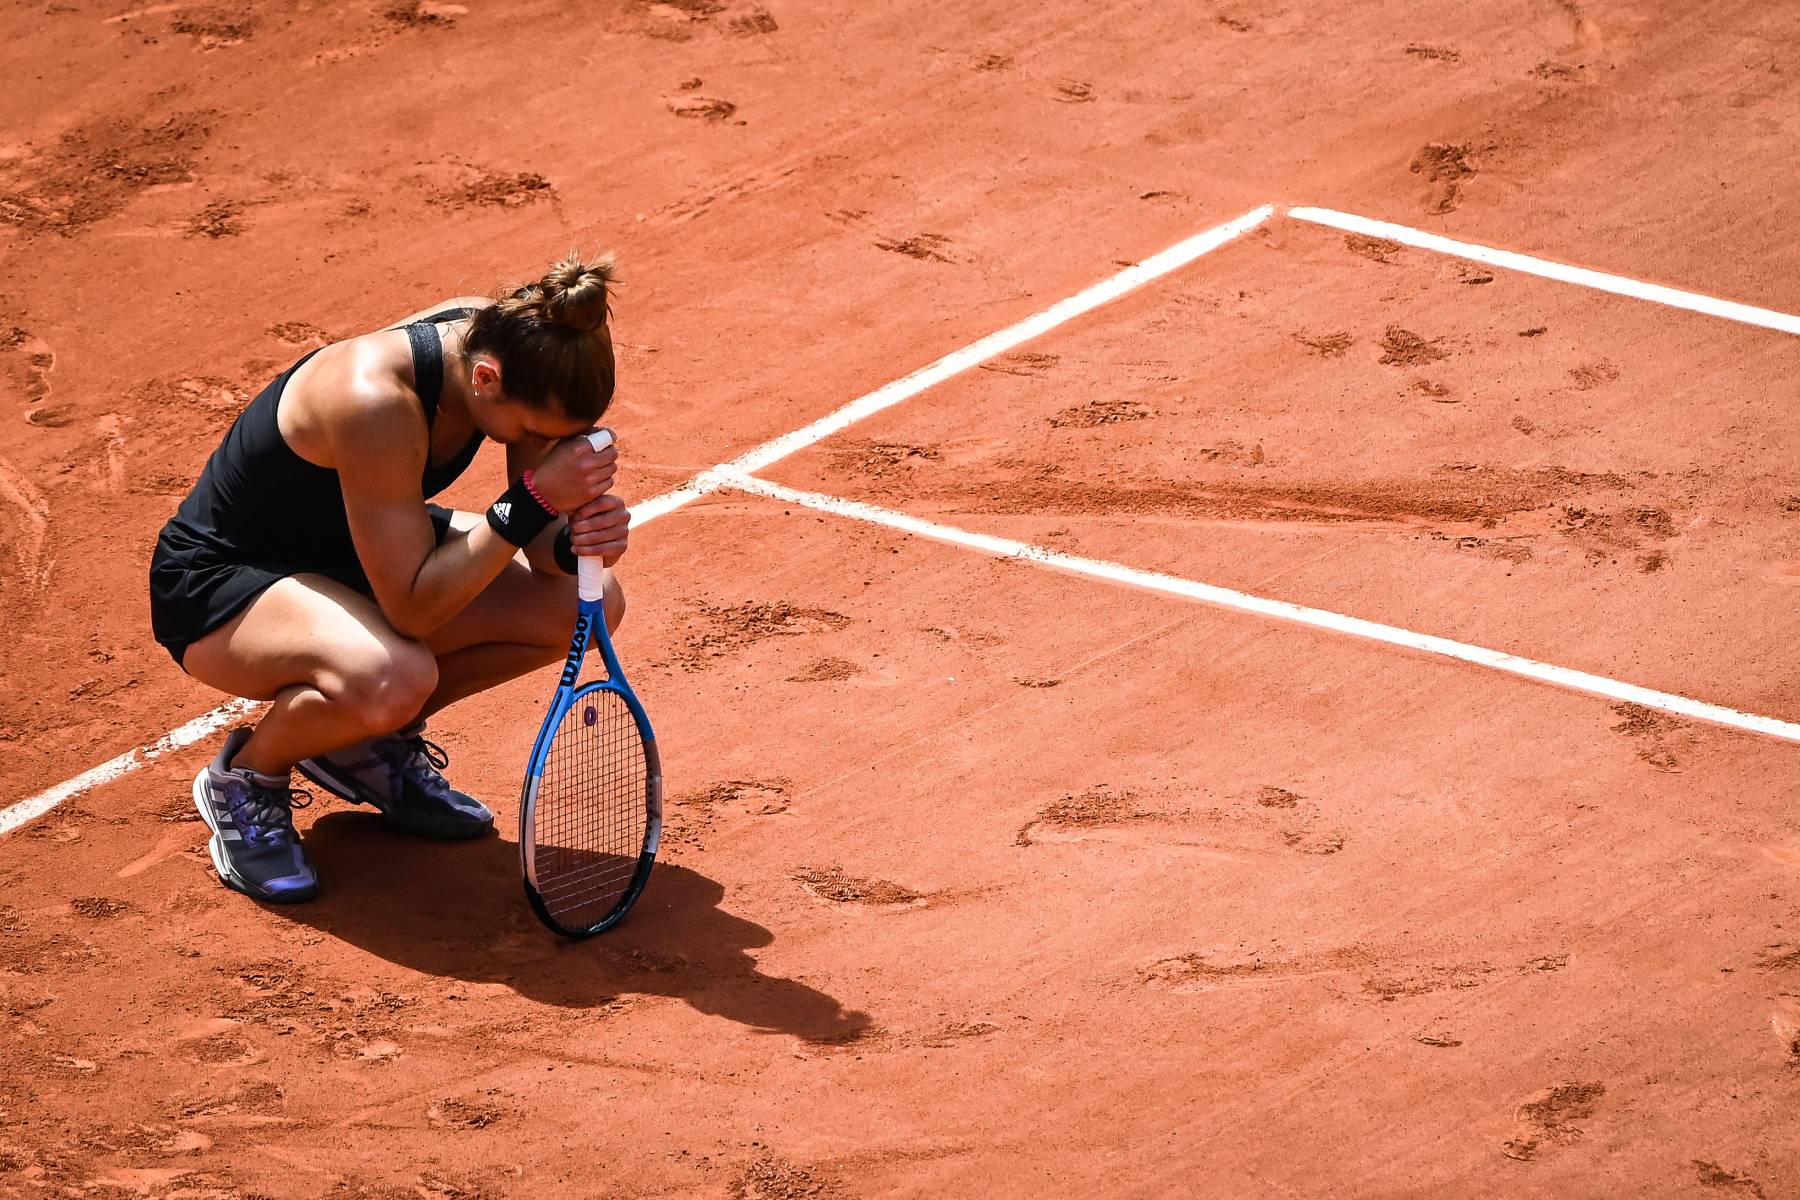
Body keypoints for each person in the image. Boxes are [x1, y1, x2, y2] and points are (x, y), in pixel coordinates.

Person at [147, 254, 632, 904]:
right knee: (395, 675)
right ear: (486, 379)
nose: (539, 444)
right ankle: (246, 778)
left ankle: (360, 745)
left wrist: (576, 544)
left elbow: (542, 547)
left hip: (360, 550)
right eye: (534, 433)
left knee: (584, 602)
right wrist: (538, 497)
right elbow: (414, 609)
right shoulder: (374, 400)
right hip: (225, 581)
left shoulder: (504, 350)